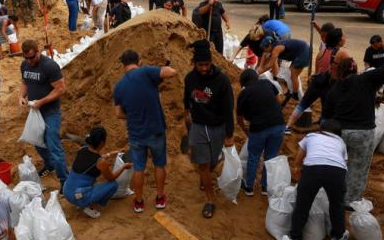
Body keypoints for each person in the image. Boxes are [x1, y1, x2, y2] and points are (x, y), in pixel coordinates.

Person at [323, 58, 384, 208]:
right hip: (363, 133)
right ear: (355, 69)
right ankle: (351, 200)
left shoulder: (334, 89)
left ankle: (332, 194)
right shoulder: (366, 79)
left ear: (340, 72)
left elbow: (326, 116)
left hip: (339, 133)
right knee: (358, 168)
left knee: (337, 165)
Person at [113, 50, 177, 213]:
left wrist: (133, 115)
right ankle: (160, 198)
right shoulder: (146, 72)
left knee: (139, 168)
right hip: (155, 130)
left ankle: (139, 201)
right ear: (139, 61)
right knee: (159, 164)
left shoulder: (119, 86)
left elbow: (118, 114)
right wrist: (160, 73)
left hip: (136, 134)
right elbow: (171, 72)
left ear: (123, 65)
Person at [183, 41, 234, 217]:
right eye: (200, 65)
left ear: (211, 62)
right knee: (203, 164)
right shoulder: (190, 78)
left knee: (213, 161)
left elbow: (229, 108)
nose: (204, 68)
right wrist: (187, 117)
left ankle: (204, 178)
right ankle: (210, 200)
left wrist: (229, 134)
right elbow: (186, 101)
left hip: (217, 126)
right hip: (198, 126)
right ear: (194, 63)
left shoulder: (222, 80)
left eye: (206, 64)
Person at [289, 120, 349, 240]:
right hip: (337, 171)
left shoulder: (311, 136)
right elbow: (343, 162)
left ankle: (294, 238)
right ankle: (337, 236)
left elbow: (299, 157)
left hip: (313, 168)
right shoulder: (341, 142)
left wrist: (298, 169)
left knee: (303, 204)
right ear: (338, 134)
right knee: (337, 204)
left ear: (320, 130)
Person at [19, 40, 69, 189]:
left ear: (38, 51)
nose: (30, 61)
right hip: (35, 112)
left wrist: (42, 101)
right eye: (26, 58)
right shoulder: (25, 65)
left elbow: (61, 89)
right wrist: (21, 96)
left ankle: (64, 181)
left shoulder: (49, 66)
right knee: (37, 142)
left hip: (50, 112)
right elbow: (24, 82)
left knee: (53, 145)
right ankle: (50, 165)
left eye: (32, 57)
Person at [285, 28, 346, 133]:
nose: (345, 38)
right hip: (330, 86)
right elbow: (348, 69)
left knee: (302, 105)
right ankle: (321, 133)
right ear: (339, 40)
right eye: (343, 36)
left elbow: (317, 70)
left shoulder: (322, 52)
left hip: (317, 82)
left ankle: (287, 126)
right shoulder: (342, 52)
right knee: (326, 112)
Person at [63, 127, 132, 218]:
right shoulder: (101, 162)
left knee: (92, 182)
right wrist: (124, 166)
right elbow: (111, 178)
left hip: (67, 190)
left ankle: (81, 201)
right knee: (113, 185)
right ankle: (88, 206)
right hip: (78, 195)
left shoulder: (82, 149)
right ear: (102, 143)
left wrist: (109, 154)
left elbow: (93, 159)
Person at [237, 69, 285, 197]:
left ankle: (249, 188)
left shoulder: (244, 93)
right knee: (270, 157)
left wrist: (245, 129)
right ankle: (265, 187)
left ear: (244, 83)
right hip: (278, 125)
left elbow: (239, 117)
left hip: (259, 128)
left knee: (253, 157)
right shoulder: (267, 83)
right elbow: (279, 100)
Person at [258, 36, 310, 103]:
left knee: (294, 75)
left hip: (304, 52)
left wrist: (259, 72)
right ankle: (293, 92)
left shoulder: (276, 48)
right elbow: (272, 62)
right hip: (302, 49)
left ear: (269, 45)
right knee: (291, 70)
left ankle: (295, 94)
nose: (264, 50)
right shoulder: (275, 46)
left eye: (264, 48)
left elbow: (270, 64)